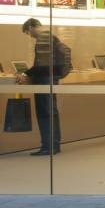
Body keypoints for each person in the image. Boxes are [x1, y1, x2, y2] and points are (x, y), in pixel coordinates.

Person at [17, 18, 72, 156]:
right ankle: (54, 145)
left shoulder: (43, 39)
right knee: (52, 112)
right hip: (51, 79)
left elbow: (41, 66)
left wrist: (25, 73)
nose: (30, 36)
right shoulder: (52, 37)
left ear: (31, 27)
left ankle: (48, 146)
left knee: (44, 113)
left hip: (44, 81)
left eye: (28, 32)